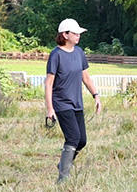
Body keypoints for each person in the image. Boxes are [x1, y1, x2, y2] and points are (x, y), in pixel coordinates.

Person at [44, 18, 102, 183]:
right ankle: (63, 179)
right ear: (65, 35)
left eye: (78, 33)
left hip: (77, 103)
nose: (78, 36)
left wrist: (96, 95)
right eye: (75, 33)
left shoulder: (79, 53)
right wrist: (50, 109)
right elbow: (48, 83)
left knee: (82, 140)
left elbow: (86, 76)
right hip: (61, 104)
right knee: (73, 138)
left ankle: (64, 163)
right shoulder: (56, 55)